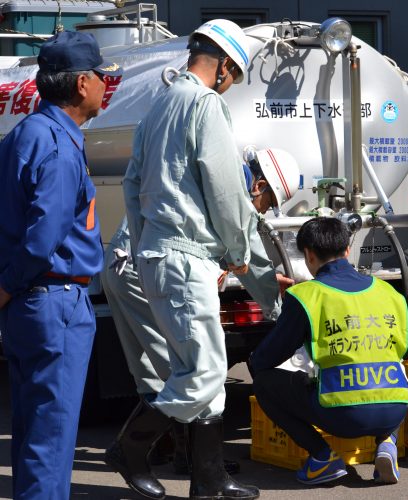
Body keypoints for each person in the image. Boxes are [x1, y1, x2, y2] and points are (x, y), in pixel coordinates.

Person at [112, 20, 259, 500]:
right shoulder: (204, 103)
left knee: (193, 370)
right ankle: (130, 448)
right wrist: (238, 253)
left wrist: (142, 241)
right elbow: (226, 190)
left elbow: (131, 184)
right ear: (222, 67)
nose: (230, 85)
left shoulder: (159, 107)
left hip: (156, 251)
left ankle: (210, 480)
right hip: (187, 254)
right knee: (206, 372)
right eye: (234, 76)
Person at [102, 148, 299, 475]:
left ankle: (181, 456)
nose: (266, 210)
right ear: (259, 185)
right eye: (271, 202)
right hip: (146, 268)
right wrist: (275, 305)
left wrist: (256, 278)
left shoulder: (209, 169)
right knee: (191, 368)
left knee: (155, 366)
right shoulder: (231, 183)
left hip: (125, 264)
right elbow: (240, 242)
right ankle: (169, 456)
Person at [0, 31, 121, 499]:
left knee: (33, 433)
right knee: (50, 441)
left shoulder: (23, 136)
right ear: (82, 84)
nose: (105, 87)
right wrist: (7, 286)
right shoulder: (57, 143)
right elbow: (43, 240)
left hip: (31, 305)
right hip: (54, 301)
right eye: (101, 78)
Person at [250, 217, 408, 486]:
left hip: (341, 415)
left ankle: (323, 457)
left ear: (308, 255)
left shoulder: (306, 295)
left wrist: (256, 359)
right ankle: (387, 444)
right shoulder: (389, 292)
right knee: (394, 369)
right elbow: (402, 348)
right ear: (347, 250)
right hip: (395, 408)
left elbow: (270, 356)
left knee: (264, 381)